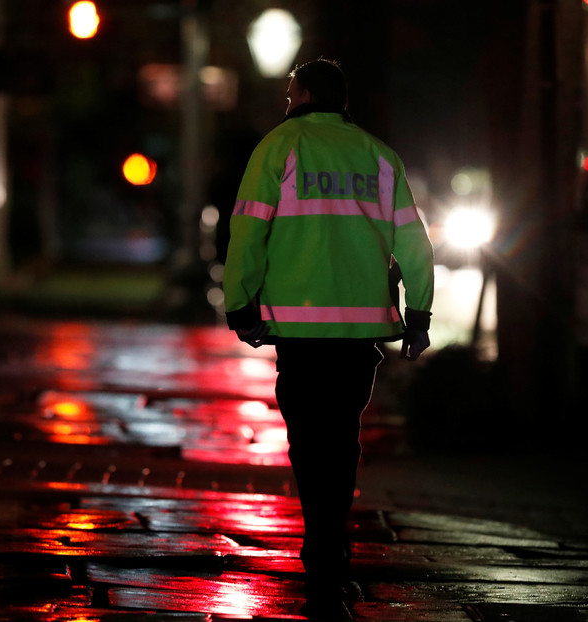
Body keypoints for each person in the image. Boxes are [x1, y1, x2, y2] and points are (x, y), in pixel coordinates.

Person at [222, 58, 434, 620]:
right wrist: (419, 315)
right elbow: (415, 242)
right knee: (342, 438)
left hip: (298, 329)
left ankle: (320, 540)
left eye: (290, 91)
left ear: (306, 94)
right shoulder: (377, 156)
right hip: (359, 333)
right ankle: (332, 538)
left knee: (308, 439)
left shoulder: (279, 147)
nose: (285, 99)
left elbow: (248, 228)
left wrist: (239, 304)